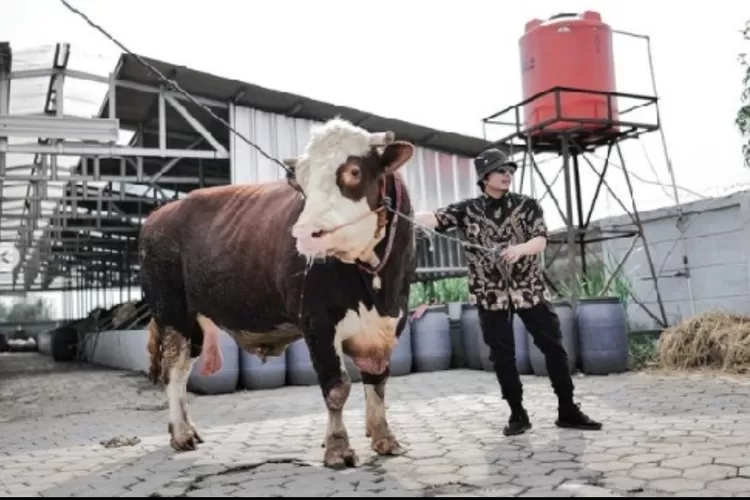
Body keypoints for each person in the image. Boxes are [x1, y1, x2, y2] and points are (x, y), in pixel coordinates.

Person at [414, 148, 602, 436]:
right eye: (501, 170)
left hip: (529, 289)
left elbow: (540, 239)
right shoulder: (468, 209)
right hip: (490, 293)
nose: (507, 175)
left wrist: (519, 250)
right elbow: (433, 218)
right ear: (484, 177)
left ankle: (568, 410)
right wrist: (399, 210)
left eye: (510, 170)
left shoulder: (528, 205)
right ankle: (517, 413)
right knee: (502, 355)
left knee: (553, 347)